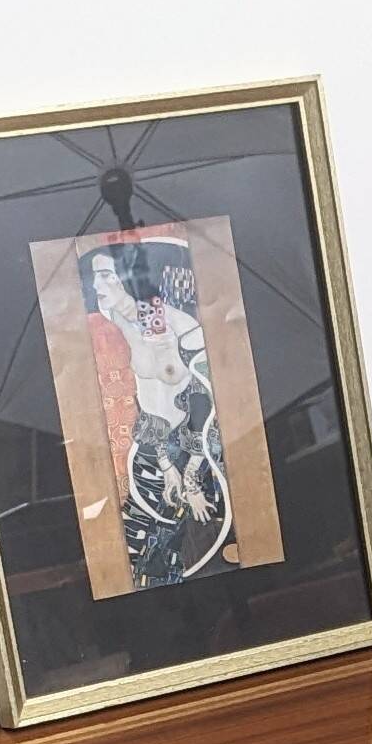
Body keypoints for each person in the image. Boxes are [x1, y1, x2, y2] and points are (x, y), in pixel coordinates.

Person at [83, 243, 234, 584]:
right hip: (153, 450)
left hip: (198, 449)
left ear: (129, 277)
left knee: (193, 542)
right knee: (139, 547)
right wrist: (166, 466)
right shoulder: (117, 316)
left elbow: (205, 400)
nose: (96, 285)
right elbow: (148, 402)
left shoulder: (182, 326)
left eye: (106, 275)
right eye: (95, 277)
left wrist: (191, 477)